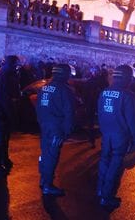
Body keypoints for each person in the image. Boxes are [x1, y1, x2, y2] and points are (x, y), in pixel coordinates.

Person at [97, 64, 135, 208]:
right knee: (115, 166)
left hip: (106, 133)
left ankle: (100, 190)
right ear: (127, 78)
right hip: (120, 135)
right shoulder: (128, 95)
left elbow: (100, 114)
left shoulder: (104, 92)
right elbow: (132, 120)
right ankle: (107, 196)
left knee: (104, 162)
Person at [36, 63, 75, 196]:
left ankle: (43, 178)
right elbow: (69, 112)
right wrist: (67, 130)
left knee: (44, 154)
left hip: (45, 125)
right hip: (56, 127)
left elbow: (38, 107)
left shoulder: (44, 87)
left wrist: (41, 123)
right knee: (52, 156)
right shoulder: (65, 90)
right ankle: (47, 185)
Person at [0, 55, 21, 176]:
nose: (18, 67)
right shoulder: (7, 76)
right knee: (0, 138)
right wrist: (12, 115)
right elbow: (7, 98)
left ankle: (4, 159)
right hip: (2, 111)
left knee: (4, 137)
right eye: (16, 65)